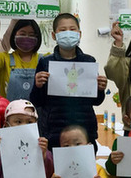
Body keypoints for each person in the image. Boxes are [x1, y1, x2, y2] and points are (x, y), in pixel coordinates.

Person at [29, 13, 108, 149]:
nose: (68, 33)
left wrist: (100, 89)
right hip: (55, 132)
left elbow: (96, 101)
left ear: (79, 34)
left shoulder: (89, 61)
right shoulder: (46, 62)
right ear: (54, 35)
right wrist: (38, 86)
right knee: (55, 163)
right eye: (63, 30)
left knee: (85, 162)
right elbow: (37, 101)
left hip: (84, 130)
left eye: (72, 29)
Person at [0, 9, 43, 100]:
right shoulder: (5, 59)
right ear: (14, 35)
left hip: (36, 109)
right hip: (8, 108)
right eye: (22, 34)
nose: (26, 38)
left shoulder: (44, 61)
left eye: (31, 35)